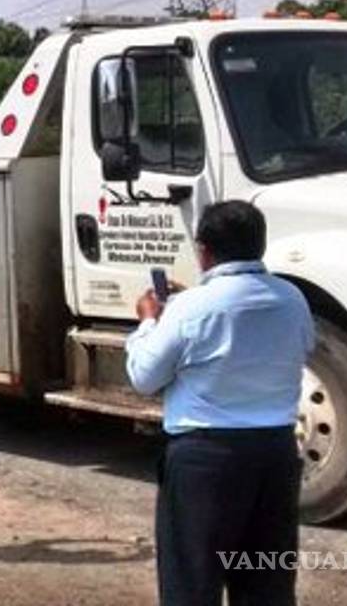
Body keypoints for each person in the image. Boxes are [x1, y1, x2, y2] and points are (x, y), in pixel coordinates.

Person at [125, 200, 315, 606]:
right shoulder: (292, 297)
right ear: (259, 245)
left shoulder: (191, 307)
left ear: (204, 251)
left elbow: (144, 377)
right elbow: (303, 348)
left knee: (193, 582)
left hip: (205, 460)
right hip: (276, 455)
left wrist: (147, 320)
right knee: (266, 584)